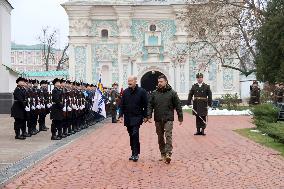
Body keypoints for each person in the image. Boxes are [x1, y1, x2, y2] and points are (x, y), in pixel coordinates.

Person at [147, 75, 183, 164]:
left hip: (168, 118)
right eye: (158, 82)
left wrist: (180, 117)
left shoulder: (172, 93)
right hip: (158, 118)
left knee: (168, 135)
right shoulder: (154, 93)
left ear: (166, 81)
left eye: (161, 81)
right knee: (160, 137)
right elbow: (150, 105)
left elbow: (178, 105)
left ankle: (168, 154)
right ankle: (162, 153)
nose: (159, 83)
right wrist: (149, 116)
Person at [119, 76, 148, 162]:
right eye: (128, 81)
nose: (129, 82)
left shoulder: (142, 91)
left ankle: (136, 154)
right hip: (128, 117)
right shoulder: (125, 92)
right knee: (131, 135)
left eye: (131, 81)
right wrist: (120, 116)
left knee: (135, 133)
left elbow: (146, 105)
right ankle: (133, 153)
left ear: (135, 81)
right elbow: (122, 105)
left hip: (137, 116)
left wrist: (146, 116)